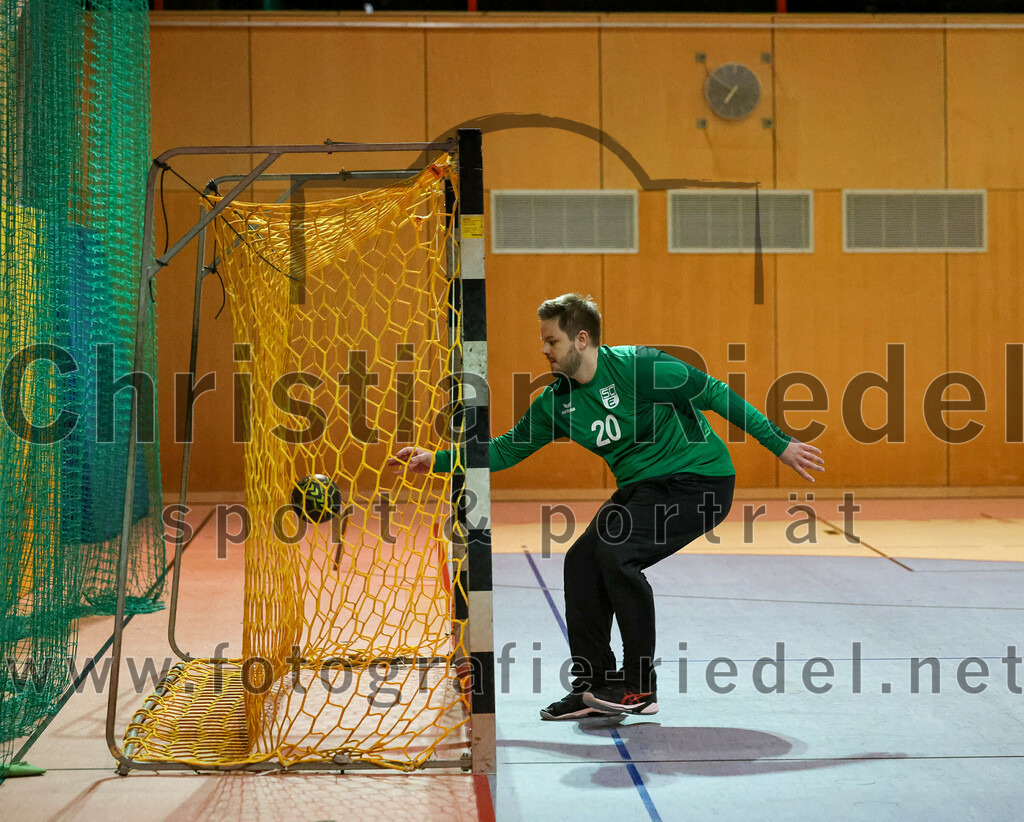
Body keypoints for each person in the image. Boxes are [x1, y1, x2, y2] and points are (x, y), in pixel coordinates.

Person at [389, 293, 823, 720]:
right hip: (641, 490)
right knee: (581, 562)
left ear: (581, 339)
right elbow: (505, 450)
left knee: (617, 553)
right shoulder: (555, 402)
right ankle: (592, 686)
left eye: (551, 341)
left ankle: (639, 687)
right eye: (543, 341)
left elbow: (714, 393)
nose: (544, 350)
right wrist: (438, 460)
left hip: (698, 482)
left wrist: (779, 443)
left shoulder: (640, 366)